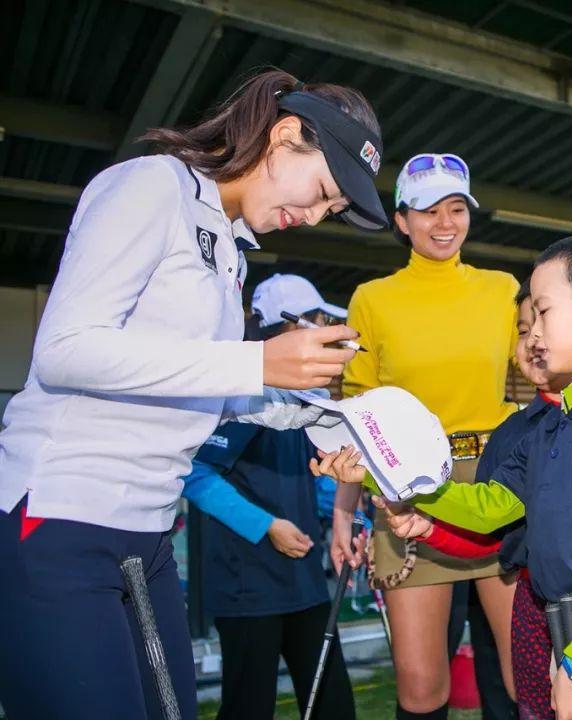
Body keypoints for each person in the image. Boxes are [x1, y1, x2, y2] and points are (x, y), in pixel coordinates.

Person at [0, 69, 384, 720]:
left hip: (147, 536)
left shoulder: (232, 250)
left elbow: (206, 389)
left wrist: (331, 417)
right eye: (322, 192)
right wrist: (254, 361)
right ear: (285, 133)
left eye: (332, 211)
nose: (315, 217)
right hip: (63, 519)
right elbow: (66, 350)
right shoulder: (153, 186)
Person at [318, 232, 572, 720]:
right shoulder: (552, 422)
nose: (532, 333)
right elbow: (488, 507)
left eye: (543, 312)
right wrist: (378, 475)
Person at [331, 153, 518, 720]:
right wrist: (345, 514)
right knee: (420, 689)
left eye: (456, 208)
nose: (444, 223)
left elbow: (544, 372)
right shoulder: (372, 298)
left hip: (498, 487)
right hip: (406, 492)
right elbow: (357, 414)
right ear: (401, 221)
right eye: (427, 210)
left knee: (524, 677)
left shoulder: (503, 290)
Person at [182, 274, 355, 720]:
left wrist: (351, 522)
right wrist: (268, 526)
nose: (325, 336)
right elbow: (196, 475)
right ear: (288, 328)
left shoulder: (304, 398)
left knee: (334, 704)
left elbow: (311, 478)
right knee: (248, 708)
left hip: (306, 585)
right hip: (247, 589)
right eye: (317, 322)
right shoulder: (242, 394)